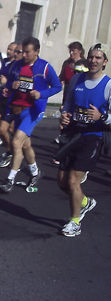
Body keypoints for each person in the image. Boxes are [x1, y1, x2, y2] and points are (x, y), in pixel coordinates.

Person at [56, 44, 109, 237]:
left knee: (72, 181)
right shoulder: (77, 79)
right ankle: (86, 203)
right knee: (62, 182)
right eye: (91, 57)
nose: (94, 60)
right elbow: (68, 104)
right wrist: (64, 115)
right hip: (72, 135)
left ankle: (74, 222)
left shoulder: (108, 85)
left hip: (92, 137)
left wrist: (101, 117)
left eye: (98, 58)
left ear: (105, 62)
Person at [0, 37, 61, 193]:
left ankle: (10, 179)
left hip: (33, 110)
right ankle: (35, 172)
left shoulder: (45, 67)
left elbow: (57, 86)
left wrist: (41, 94)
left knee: (16, 142)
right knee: (25, 145)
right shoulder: (17, 65)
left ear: (36, 52)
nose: (23, 55)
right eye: (22, 52)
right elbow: (8, 82)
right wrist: (10, 85)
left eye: (27, 52)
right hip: (16, 108)